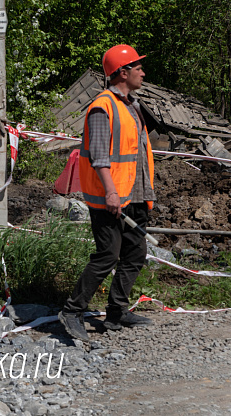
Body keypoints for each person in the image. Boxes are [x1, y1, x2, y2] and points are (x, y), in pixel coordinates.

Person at [58, 44, 155, 341]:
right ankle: (72, 311)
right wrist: (111, 193)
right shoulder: (103, 106)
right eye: (137, 67)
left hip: (135, 193)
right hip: (111, 197)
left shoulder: (132, 104)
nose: (142, 71)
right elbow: (100, 156)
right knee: (107, 256)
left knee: (135, 254)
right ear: (122, 73)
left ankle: (116, 312)